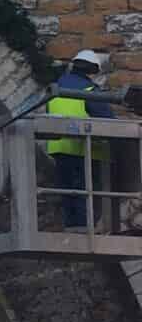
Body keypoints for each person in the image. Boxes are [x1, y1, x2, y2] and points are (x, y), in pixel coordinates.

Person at [46, 49, 114, 228]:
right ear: (93, 71)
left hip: (60, 149)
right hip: (85, 150)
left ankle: (72, 227)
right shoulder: (90, 89)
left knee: (68, 191)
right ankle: (86, 229)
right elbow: (107, 120)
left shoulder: (56, 88)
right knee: (86, 192)